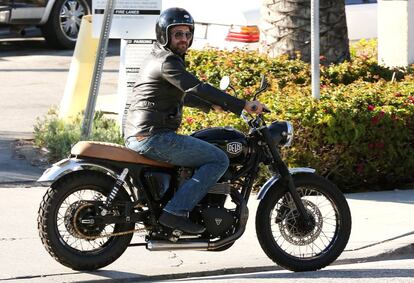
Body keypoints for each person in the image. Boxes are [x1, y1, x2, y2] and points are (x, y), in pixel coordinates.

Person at [123, 7, 267, 234]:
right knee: (219, 159)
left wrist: (211, 105)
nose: (184, 39)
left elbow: (181, 94)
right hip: (153, 136)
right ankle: (175, 212)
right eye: (178, 34)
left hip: (145, 132)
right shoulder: (167, 61)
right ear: (164, 34)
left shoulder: (160, 57)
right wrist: (242, 104)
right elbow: (196, 86)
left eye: (187, 34)